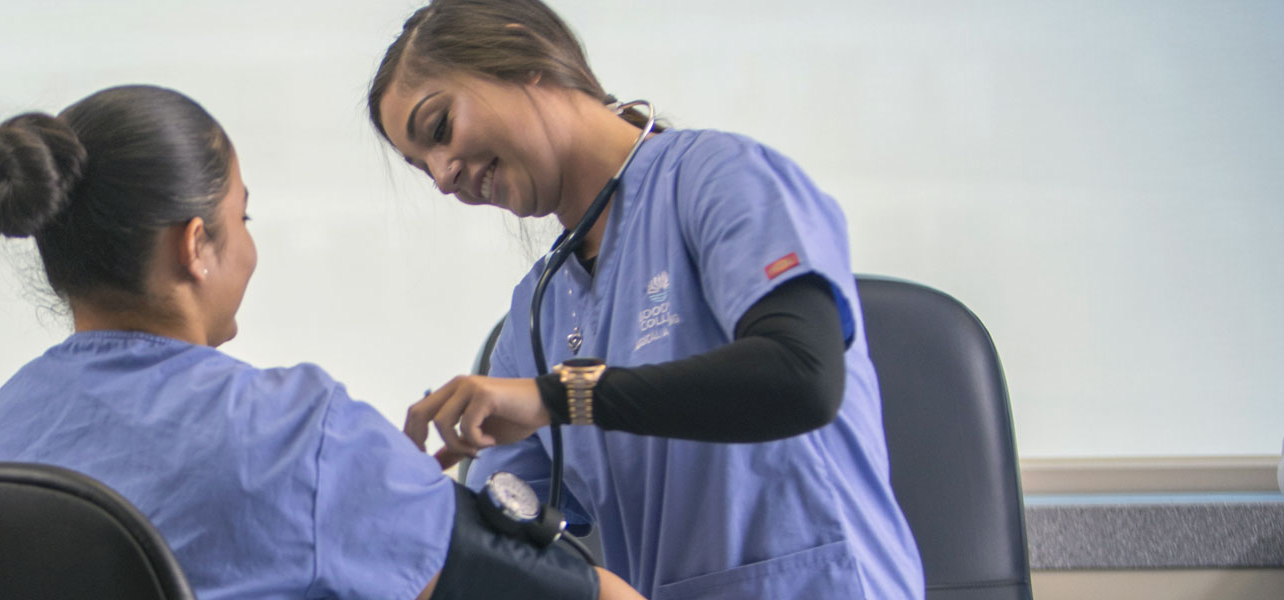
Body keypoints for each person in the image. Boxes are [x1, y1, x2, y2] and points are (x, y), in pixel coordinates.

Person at [0, 84, 642, 600]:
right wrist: (369, 487)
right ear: (196, 248)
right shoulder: (297, 436)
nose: (249, 245)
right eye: (241, 217)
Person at [367, 1, 925, 598]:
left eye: (440, 128)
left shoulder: (719, 178)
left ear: (522, 54)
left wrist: (560, 397)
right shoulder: (540, 308)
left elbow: (802, 375)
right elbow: (511, 528)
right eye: (423, 168)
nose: (444, 175)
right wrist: (406, 503)